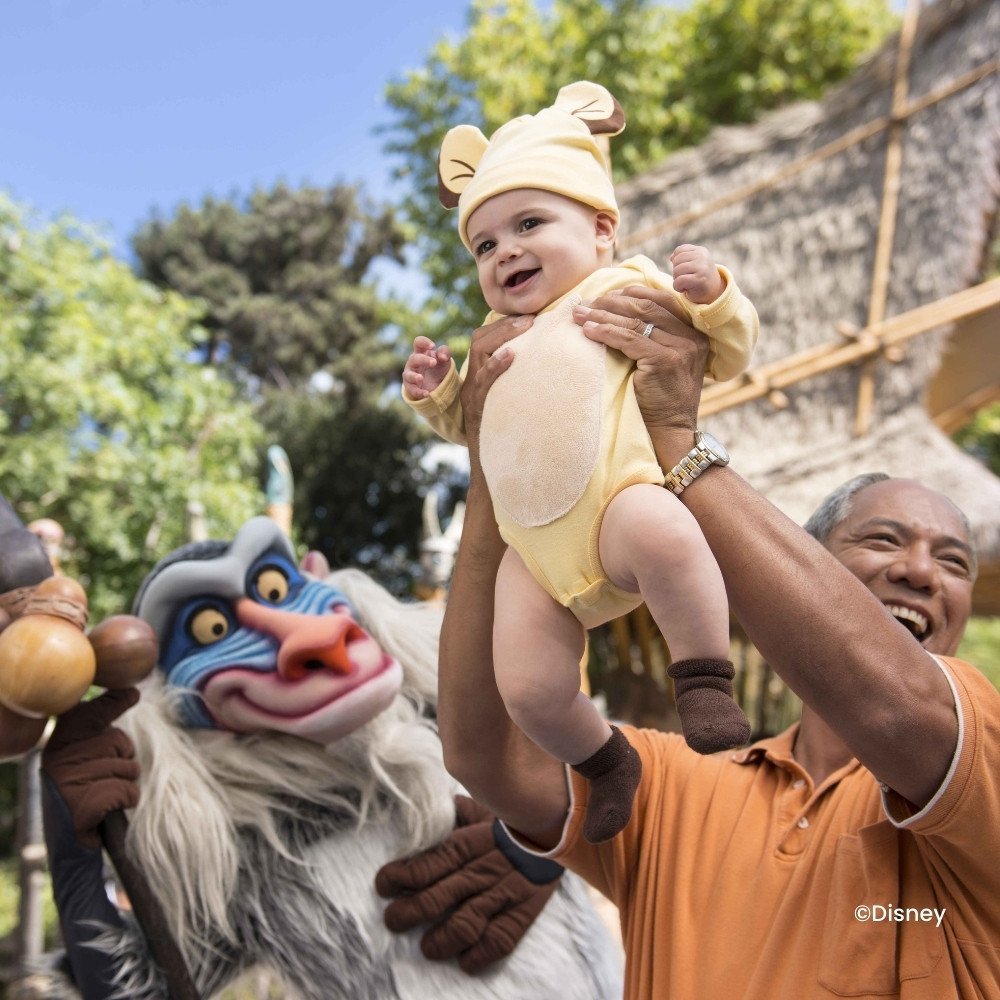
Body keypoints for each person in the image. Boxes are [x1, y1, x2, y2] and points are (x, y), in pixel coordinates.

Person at [434, 287, 1000, 998]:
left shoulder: (984, 780)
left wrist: (674, 433)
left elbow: (898, 710)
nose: (920, 572)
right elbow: (485, 754)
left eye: (952, 563)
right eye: (883, 540)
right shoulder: (670, 789)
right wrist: (497, 467)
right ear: (802, 565)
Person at [403, 81, 759, 844]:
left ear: (601, 229)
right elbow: (471, 427)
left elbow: (723, 351)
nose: (506, 252)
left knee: (668, 532)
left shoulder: (624, 286)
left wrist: (715, 295)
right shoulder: (498, 337)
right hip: (532, 552)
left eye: (529, 223)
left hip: (615, 504)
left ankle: (702, 679)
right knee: (527, 687)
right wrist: (439, 393)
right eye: (485, 245)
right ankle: (604, 761)